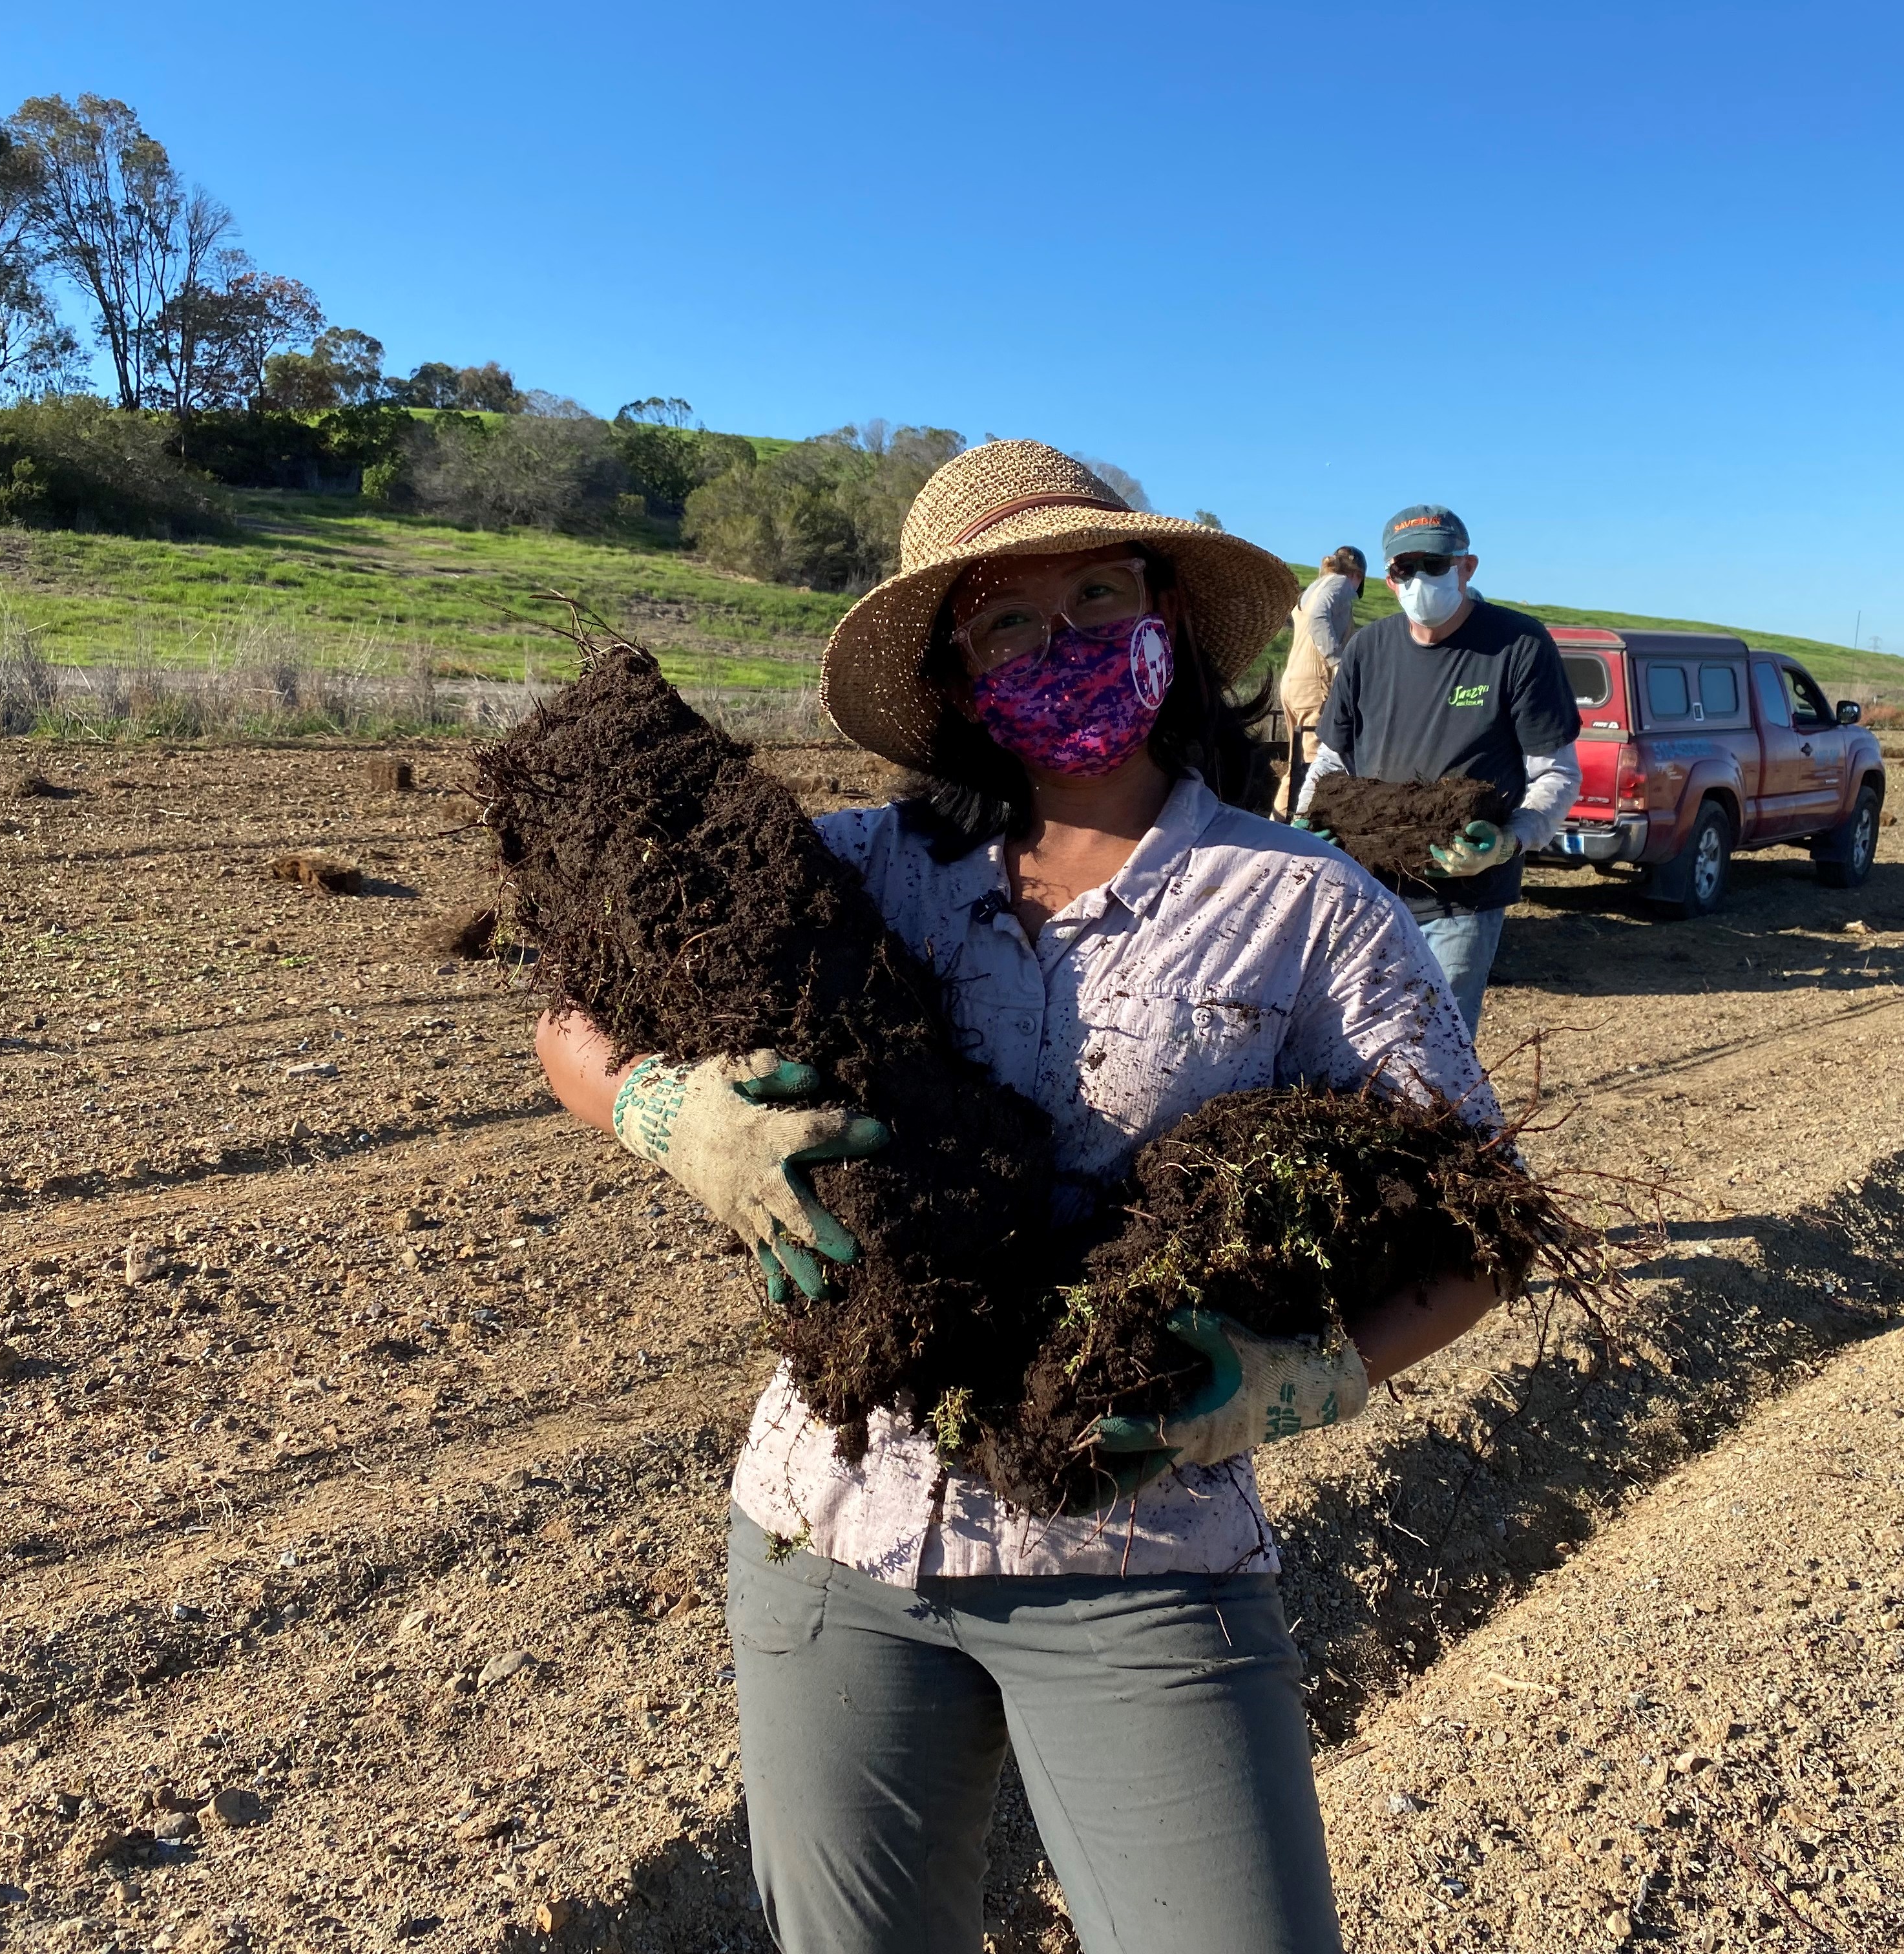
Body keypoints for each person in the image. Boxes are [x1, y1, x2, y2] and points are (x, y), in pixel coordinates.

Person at [535, 443, 1511, 1954]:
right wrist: (668, 1113)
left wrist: (1300, 1380)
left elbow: (1483, 1218)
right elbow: (572, 1017)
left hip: (1138, 1550)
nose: (1061, 645)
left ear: (1165, 620)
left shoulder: (1305, 903)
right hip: (828, 1529)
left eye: (1098, 596)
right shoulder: (864, 870)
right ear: (952, 674)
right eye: (1007, 623)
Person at [1292, 503, 1582, 1036]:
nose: (1419, 579)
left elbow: (1556, 774)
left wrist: (1506, 842)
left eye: (1434, 564)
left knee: (1432, 1049)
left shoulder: (1517, 645)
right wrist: (1305, 830)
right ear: (1389, 577)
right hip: (1367, 891)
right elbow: (1333, 761)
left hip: (1460, 901)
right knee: (1349, 1043)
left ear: (1466, 567)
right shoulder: (1367, 649)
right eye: (1406, 568)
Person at [1277, 545, 1365, 803]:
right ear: (1357, 575)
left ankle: (1276, 824)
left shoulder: (1313, 589)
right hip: (1316, 682)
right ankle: (1305, 834)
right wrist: (1337, 661)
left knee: (1296, 767)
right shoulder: (1339, 584)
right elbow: (1319, 618)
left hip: (1294, 682)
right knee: (1318, 764)